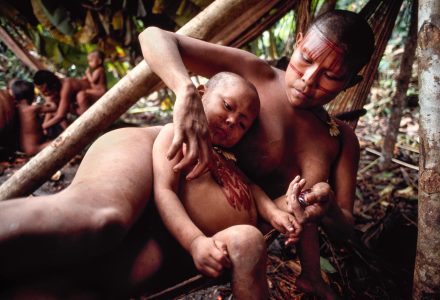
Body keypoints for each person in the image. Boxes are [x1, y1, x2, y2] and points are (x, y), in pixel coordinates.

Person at [0, 9, 374, 299]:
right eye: (306, 59)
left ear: (353, 81)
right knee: (99, 220)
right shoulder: (255, 72)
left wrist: (322, 207)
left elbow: (346, 227)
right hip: (155, 156)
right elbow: (156, 37)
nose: (309, 80)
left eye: (331, 76)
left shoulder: (337, 139)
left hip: (193, 227)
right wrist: (183, 92)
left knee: (92, 284)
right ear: (297, 41)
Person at [154, 71, 303, 299]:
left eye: (242, 124)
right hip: (204, 245)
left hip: (237, 242)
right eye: (227, 106)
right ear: (201, 94)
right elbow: (164, 192)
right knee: (248, 240)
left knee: (303, 202)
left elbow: (251, 188)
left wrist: (273, 213)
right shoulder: (178, 135)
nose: (232, 121)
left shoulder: (228, 156)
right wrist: (195, 242)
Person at [76, 50, 107, 115]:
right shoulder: (96, 71)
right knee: (85, 92)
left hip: (100, 91)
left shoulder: (99, 70)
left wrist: (88, 74)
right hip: (96, 90)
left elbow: (92, 80)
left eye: (91, 61)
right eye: (89, 61)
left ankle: (84, 111)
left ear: (99, 61)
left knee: (85, 92)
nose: (89, 63)